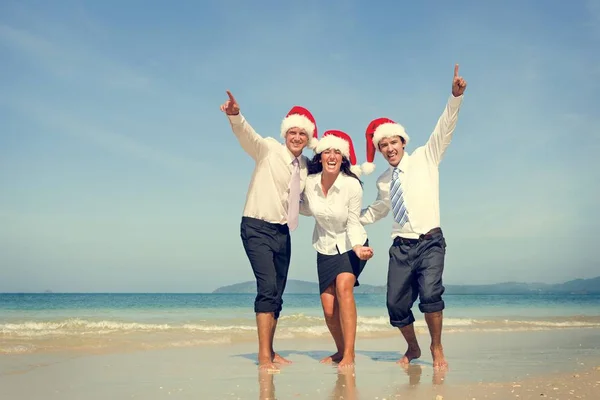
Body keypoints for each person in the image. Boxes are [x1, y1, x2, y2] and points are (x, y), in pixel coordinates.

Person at [358, 65, 467, 369]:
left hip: (431, 241)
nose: (389, 148)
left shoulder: (426, 157)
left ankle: (437, 347)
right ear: (380, 150)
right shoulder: (383, 180)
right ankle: (413, 347)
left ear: (403, 142)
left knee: (431, 295)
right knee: (395, 305)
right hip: (401, 247)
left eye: (393, 142)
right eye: (383, 145)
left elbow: (444, 128)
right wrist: (353, 218)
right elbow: (380, 209)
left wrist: (454, 98)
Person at [220, 90, 318, 371]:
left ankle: (271, 351)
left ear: (308, 138)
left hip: (282, 232)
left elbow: (305, 204)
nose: (297, 137)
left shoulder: (305, 167)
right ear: (286, 133)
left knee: (277, 293)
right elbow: (247, 135)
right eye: (293, 132)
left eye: (302, 134)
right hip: (256, 226)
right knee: (266, 289)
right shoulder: (269, 149)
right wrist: (235, 115)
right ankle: (264, 357)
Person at [299, 129, 374, 368]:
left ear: (343, 158)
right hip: (324, 246)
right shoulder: (309, 183)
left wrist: (358, 247)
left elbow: (353, 222)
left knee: (344, 288)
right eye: (327, 151)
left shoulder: (352, 185)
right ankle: (341, 351)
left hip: (352, 244)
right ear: (319, 157)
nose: (332, 156)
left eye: (337, 152)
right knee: (329, 307)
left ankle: (350, 354)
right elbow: (303, 208)